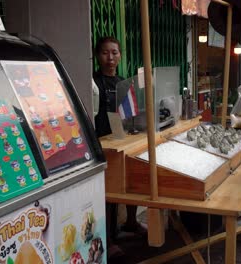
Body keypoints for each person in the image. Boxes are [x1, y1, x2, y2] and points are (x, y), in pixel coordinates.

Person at [93, 36, 146, 260]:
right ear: (97, 56)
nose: (110, 57)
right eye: (105, 52)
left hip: (121, 139)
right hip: (101, 142)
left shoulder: (124, 83)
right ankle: (109, 237)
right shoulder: (93, 82)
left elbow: (129, 114)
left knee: (131, 180)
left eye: (114, 52)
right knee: (107, 192)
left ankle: (131, 222)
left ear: (120, 55)